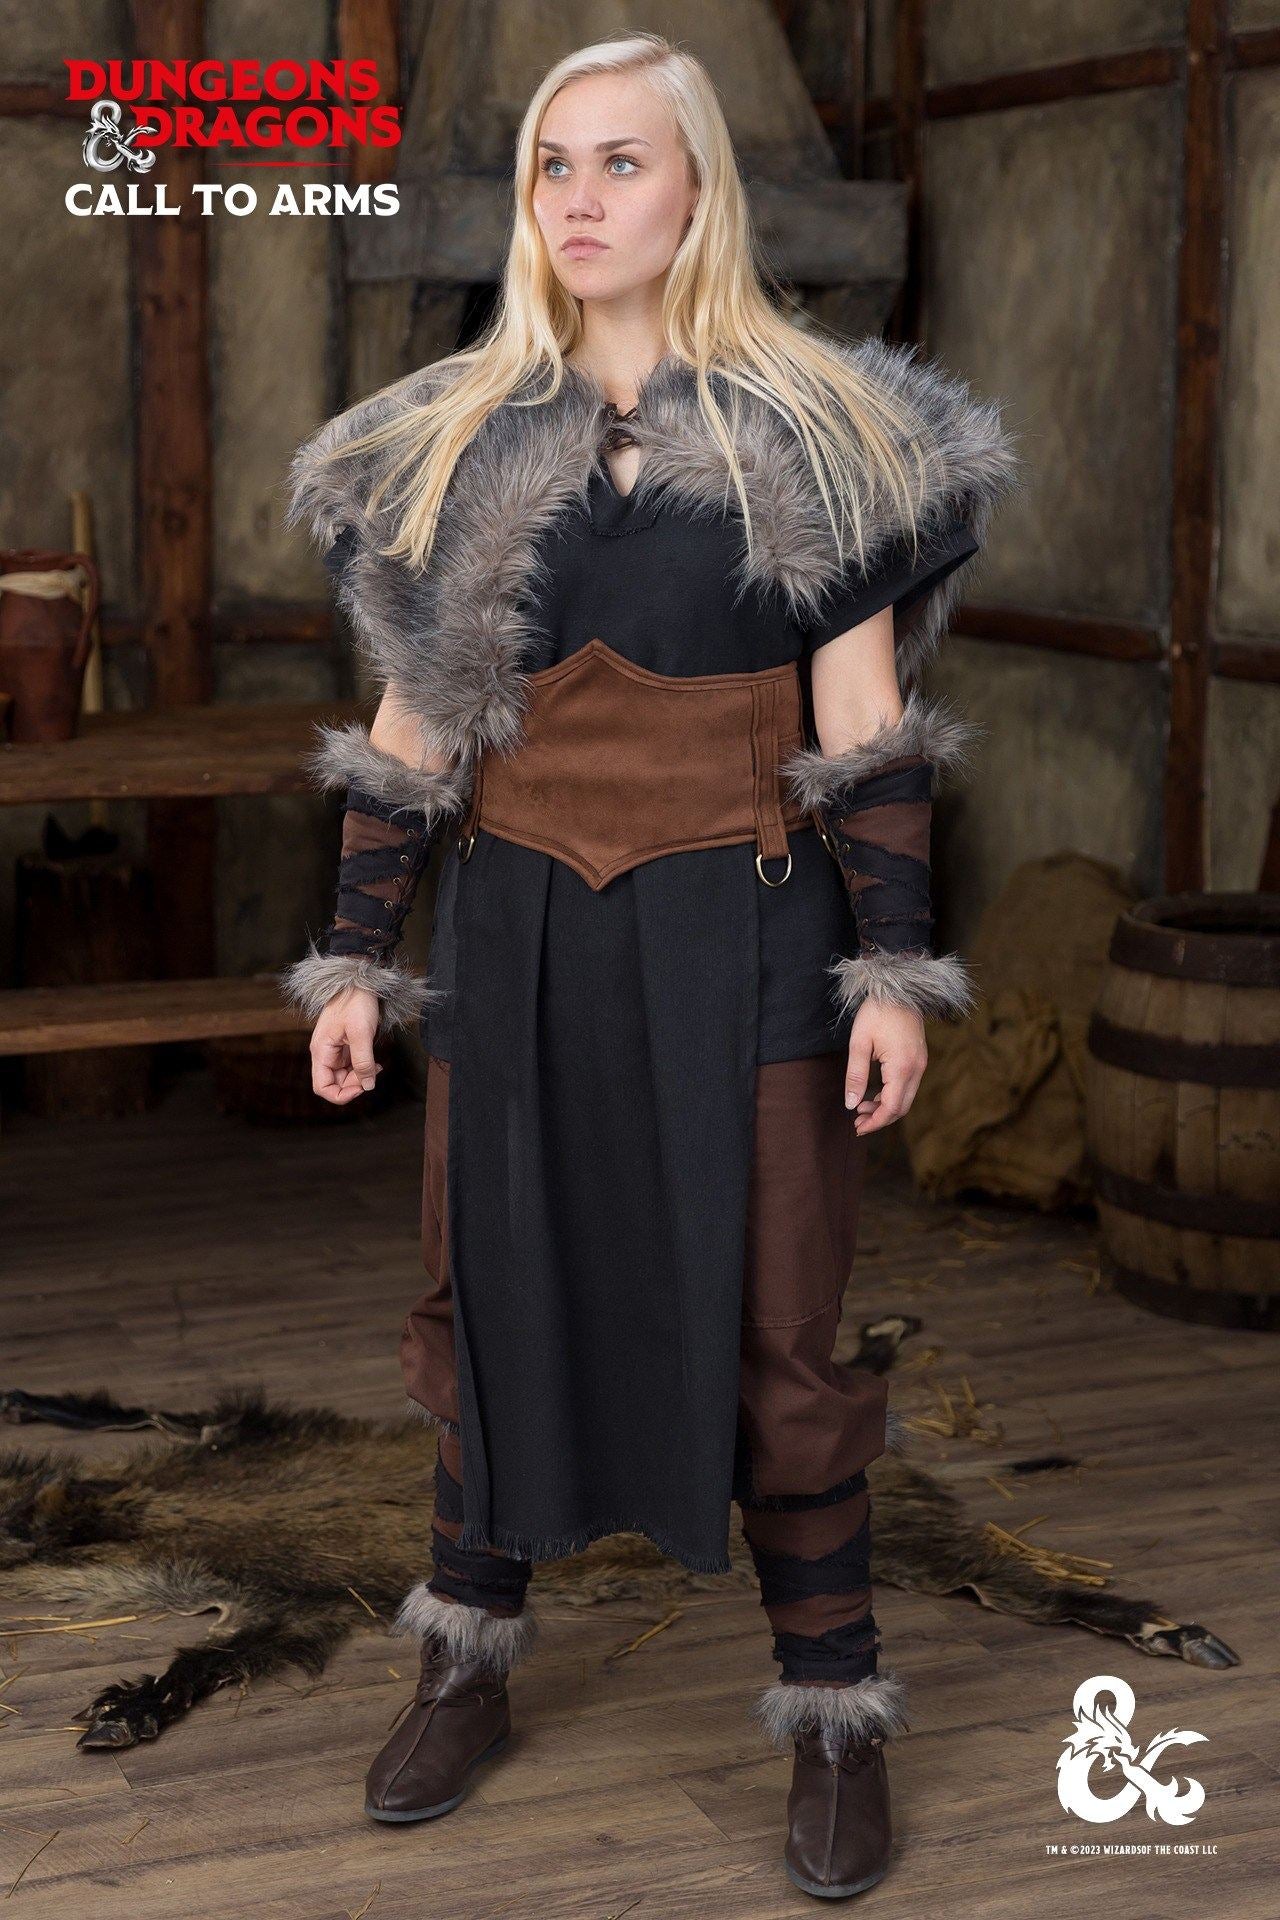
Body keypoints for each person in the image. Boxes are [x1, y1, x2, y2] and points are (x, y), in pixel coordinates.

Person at [280, 31, 1017, 1902]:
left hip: (748, 941)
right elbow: (412, 735)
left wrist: (892, 975)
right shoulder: (455, 441)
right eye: (556, 164)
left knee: (778, 1317)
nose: (582, 198)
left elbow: (865, 726)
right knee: (490, 1280)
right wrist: (356, 959)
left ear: (698, 189)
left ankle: (833, 1711)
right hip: (515, 940)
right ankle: (465, 1658)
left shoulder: (824, 438)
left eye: (623, 162)